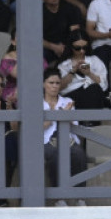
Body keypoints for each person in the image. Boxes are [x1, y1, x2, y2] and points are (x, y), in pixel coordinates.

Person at [41, 68, 87, 205]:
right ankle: (58, 198)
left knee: (79, 154)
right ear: (44, 84)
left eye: (57, 83)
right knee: (54, 156)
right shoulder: (38, 103)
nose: (55, 86)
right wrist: (58, 114)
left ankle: (81, 197)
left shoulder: (67, 101)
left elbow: (74, 124)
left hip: (67, 138)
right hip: (47, 140)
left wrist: (66, 116)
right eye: (51, 83)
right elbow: (39, 127)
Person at [57, 37, 108, 111]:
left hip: (93, 94)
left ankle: (91, 121)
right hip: (72, 96)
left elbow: (104, 86)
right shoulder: (64, 65)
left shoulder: (94, 60)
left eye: (85, 47)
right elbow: (59, 88)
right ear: (71, 47)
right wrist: (72, 71)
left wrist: (89, 73)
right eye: (77, 48)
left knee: (94, 89)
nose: (82, 51)